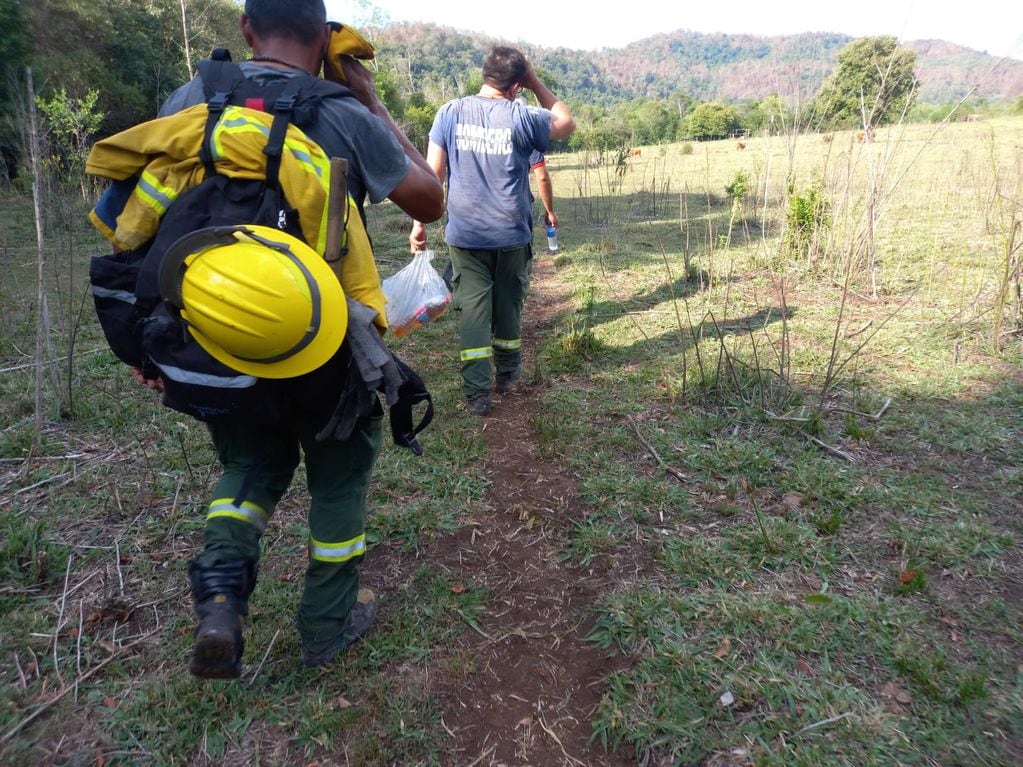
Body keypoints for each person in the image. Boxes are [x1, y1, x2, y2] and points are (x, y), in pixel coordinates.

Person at [131, 0, 443, 678]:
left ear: (245, 29)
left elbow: (143, 220)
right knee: (337, 481)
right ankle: (326, 626)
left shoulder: (192, 99)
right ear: (324, 37)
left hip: (218, 336)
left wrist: (143, 344)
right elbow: (429, 199)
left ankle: (219, 595)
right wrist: (371, 99)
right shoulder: (341, 109)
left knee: (246, 467)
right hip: (326, 344)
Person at [409, 46, 575, 416]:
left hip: (466, 237)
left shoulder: (449, 112)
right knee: (508, 306)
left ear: (484, 74)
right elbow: (565, 123)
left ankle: (477, 394)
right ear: (517, 84)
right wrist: (534, 80)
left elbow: (432, 175)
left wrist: (419, 224)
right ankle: (508, 373)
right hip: (512, 234)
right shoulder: (524, 115)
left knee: (473, 314)